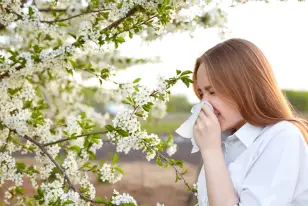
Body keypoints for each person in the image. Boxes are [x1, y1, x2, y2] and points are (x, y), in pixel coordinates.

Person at [192, 38, 308, 206]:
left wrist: (211, 151)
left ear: (244, 87)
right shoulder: (223, 141)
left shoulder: (282, 137)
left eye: (212, 92)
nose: (204, 104)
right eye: (201, 94)